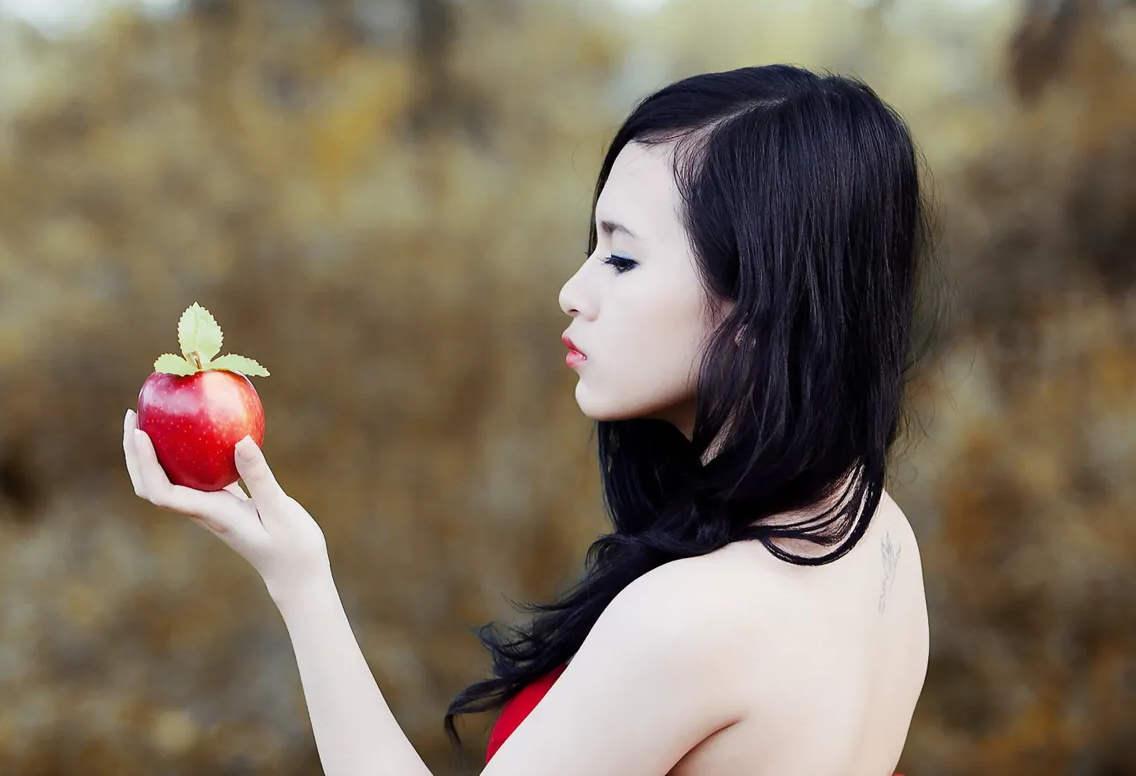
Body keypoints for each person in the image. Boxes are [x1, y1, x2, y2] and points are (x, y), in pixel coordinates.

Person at [121, 63, 937, 776]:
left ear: (761, 304)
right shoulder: (876, 535)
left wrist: (300, 583)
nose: (574, 291)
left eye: (621, 256)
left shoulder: (692, 619)